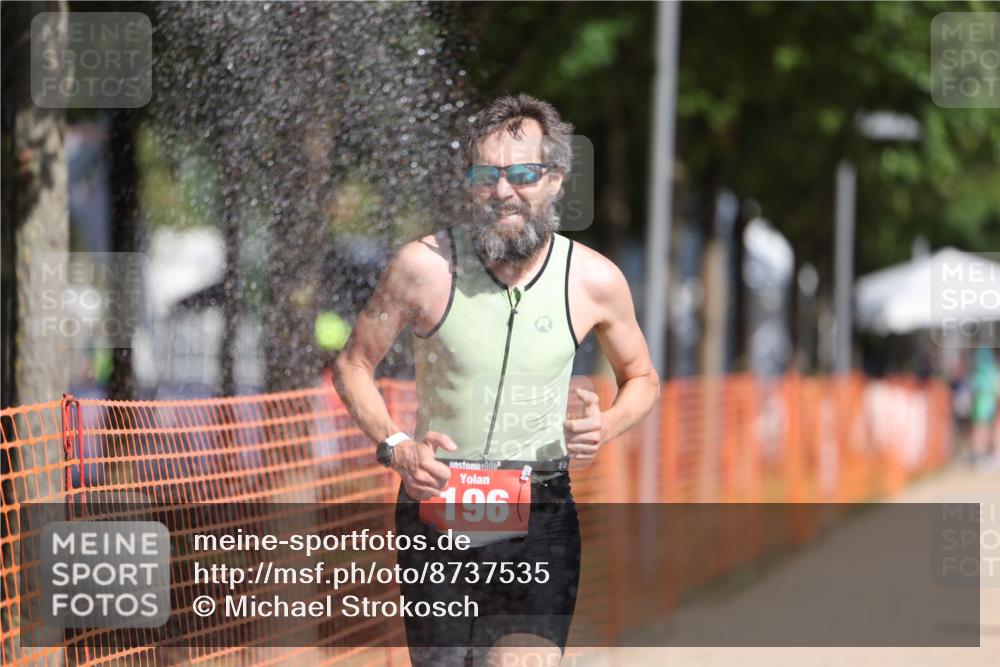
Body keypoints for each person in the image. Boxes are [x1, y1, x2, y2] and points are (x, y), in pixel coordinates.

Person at [334, 94, 659, 666]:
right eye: (486, 175)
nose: (503, 191)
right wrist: (397, 447)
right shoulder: (424, 266)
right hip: (439, 502)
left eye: (522, 174)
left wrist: (606, 425)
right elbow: (353, 365)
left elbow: (643, 379)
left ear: (555, 179)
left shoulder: (594, 279)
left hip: (540, 508)